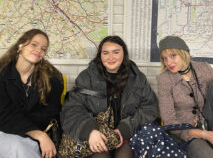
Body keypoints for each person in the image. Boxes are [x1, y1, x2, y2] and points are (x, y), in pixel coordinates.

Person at [60, 35, 158, 158]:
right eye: (105, 53)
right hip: (96, 134)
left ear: (124, 53)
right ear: (100, 56)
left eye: (116, 52)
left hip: (127, 135)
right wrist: (90, 131)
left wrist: (125, 129)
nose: (111, 57)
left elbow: (149, 108)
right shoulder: (86, 77)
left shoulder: (138, 78)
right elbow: (72, 108)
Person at [157, 35, 213, 158]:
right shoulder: (163, 79)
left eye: (173, 56)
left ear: (183, 53)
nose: (168, 62)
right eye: (164, 58)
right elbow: (168, 121)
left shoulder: (203, 68)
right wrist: (203, 134)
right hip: (188, 132)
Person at [0, 29, 64, 158]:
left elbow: (50, 113)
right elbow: (3, 113)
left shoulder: (53, 78)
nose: (39, 50)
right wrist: (37, 134)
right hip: (5, 132)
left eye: (43, 49)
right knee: (15, 145)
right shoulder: (2, 73)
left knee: (23, 146)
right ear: (20, 45)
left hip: (35, 135)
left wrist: (39, 134)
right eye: (34, 44)